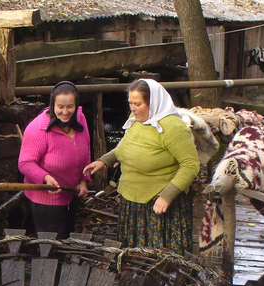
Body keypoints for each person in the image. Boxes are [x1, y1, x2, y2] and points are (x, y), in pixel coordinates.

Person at [83, 79, 199, 255]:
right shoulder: (135, 119)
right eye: (130, 103)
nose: (133, 108)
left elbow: (190, 165)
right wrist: (105, 160)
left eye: (138, 104)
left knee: (160, 255)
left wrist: (166, 196)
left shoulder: (172, 127)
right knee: (135, 254)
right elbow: (125, 146)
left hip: (159, 201)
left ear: (152, 103)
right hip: (133, 198)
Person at [18, 81, 91, 240]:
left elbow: (86, 150)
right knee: (51, 247)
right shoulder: (38, 128)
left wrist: (84, 181)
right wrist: (45, 178)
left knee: (66, 239)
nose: (65, 112)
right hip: (46, 200)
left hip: (71, 194)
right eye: (60, 107)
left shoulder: (80, 119)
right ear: (52, 105)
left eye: (70, 106)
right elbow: (25, 163)